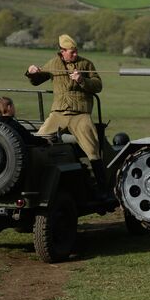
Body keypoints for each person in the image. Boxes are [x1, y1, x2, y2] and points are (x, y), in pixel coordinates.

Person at [25, 34, 106, 195]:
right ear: (62, 51)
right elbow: (37, 80)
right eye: (71, 52)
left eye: (76, 51)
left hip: (80, 114)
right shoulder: (53, 63)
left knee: (92, 149)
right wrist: (31, 72)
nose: (75, 54)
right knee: (38, 140)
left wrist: (82, 80)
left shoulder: (86, 64)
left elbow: (98, 85)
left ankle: (100, 188)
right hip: (59, 113)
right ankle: (31, 183)